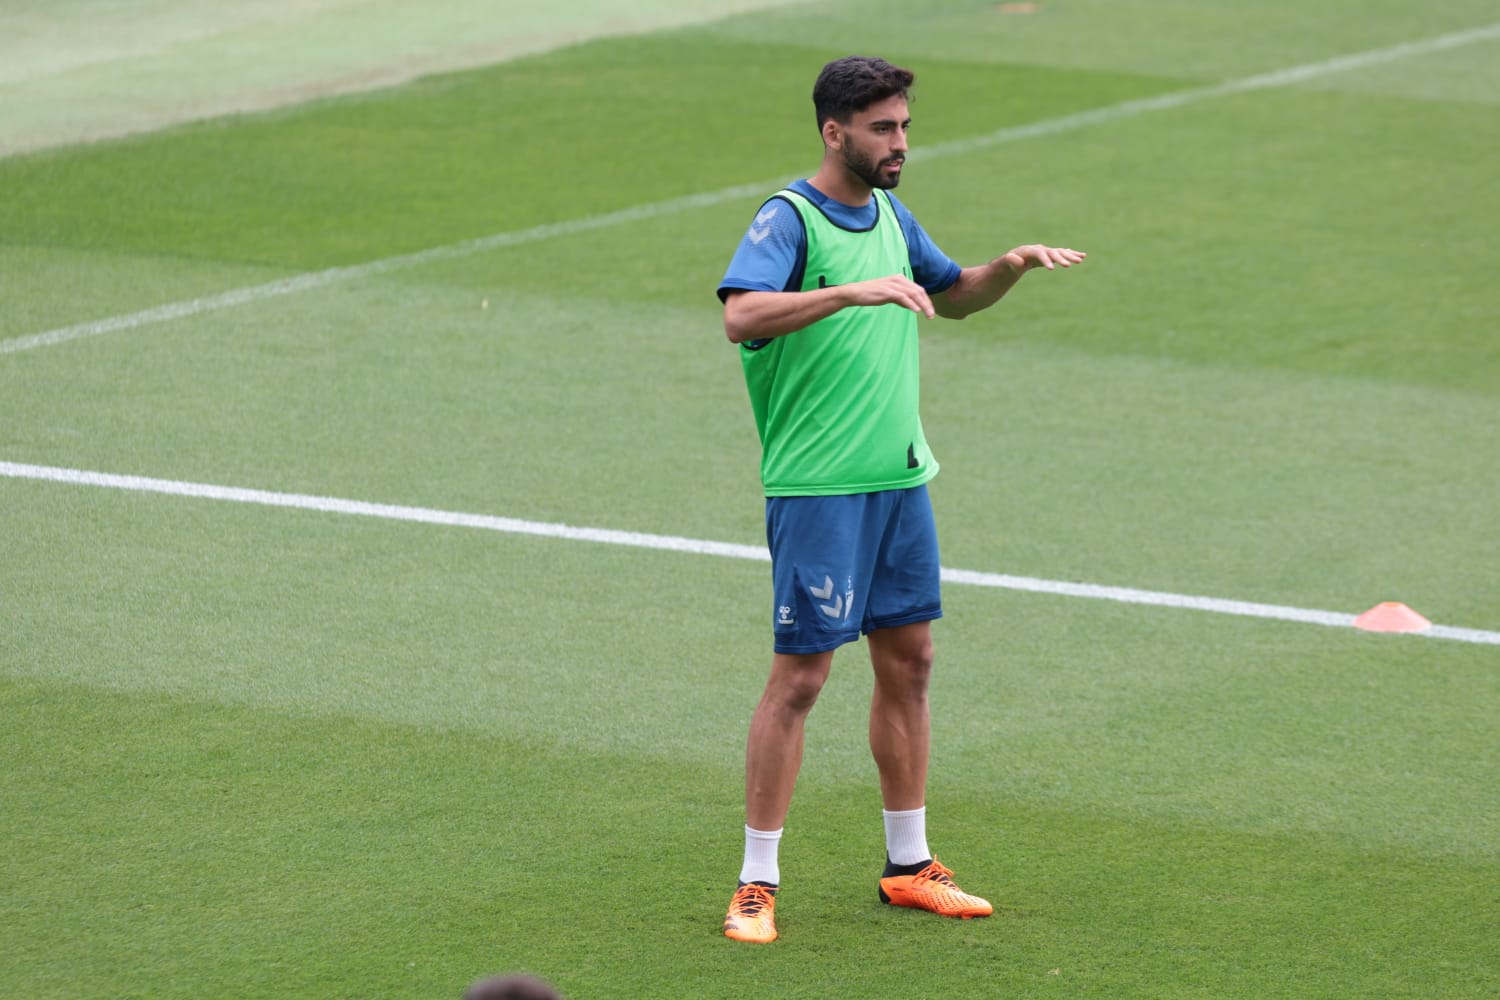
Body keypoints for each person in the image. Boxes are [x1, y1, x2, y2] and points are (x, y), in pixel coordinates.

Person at [717, 55, 1085, 944]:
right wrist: (850, 290)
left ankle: (910, 865)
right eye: (883, 128)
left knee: (911, 663)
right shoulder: (789, 218)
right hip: (820, 488)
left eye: (906, 126)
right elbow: (741, 315)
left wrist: (1009, 266)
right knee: (801, 678)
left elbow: (952, 297)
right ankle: (755, 883)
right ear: (833, 131)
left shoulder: (891, 212)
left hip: (899, 478)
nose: (901, 144)